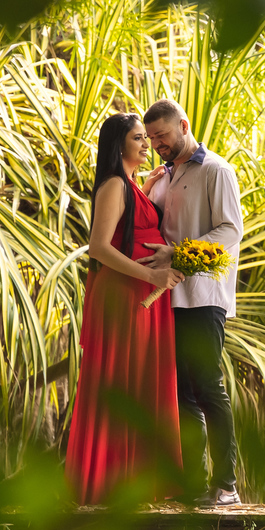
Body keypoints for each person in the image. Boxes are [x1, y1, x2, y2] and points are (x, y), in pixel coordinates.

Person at [65, 112, 185, 504]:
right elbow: (99, 247)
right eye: (138, 138)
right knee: (120, 383)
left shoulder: (130, 186)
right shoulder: (114, 185)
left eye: (146, 138)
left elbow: (129, 230)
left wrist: (145, 191)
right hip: (126, 296)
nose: (146, 143)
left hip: (144, 299)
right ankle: (104, 485)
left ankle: (137, 482)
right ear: (119, 145)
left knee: (140, 383)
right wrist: (151, 278)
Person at [139, 99, 244, 506]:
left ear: (183, 125)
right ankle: (194, 487)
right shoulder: (165, 174)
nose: (157, 144)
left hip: (204, 298)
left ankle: (227, 486)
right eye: (151, 139)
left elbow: (230, 230)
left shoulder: (216, 170)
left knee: (207, 388)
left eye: (162, 136)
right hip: (169, 298)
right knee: (181, 392)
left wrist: (178, 254)